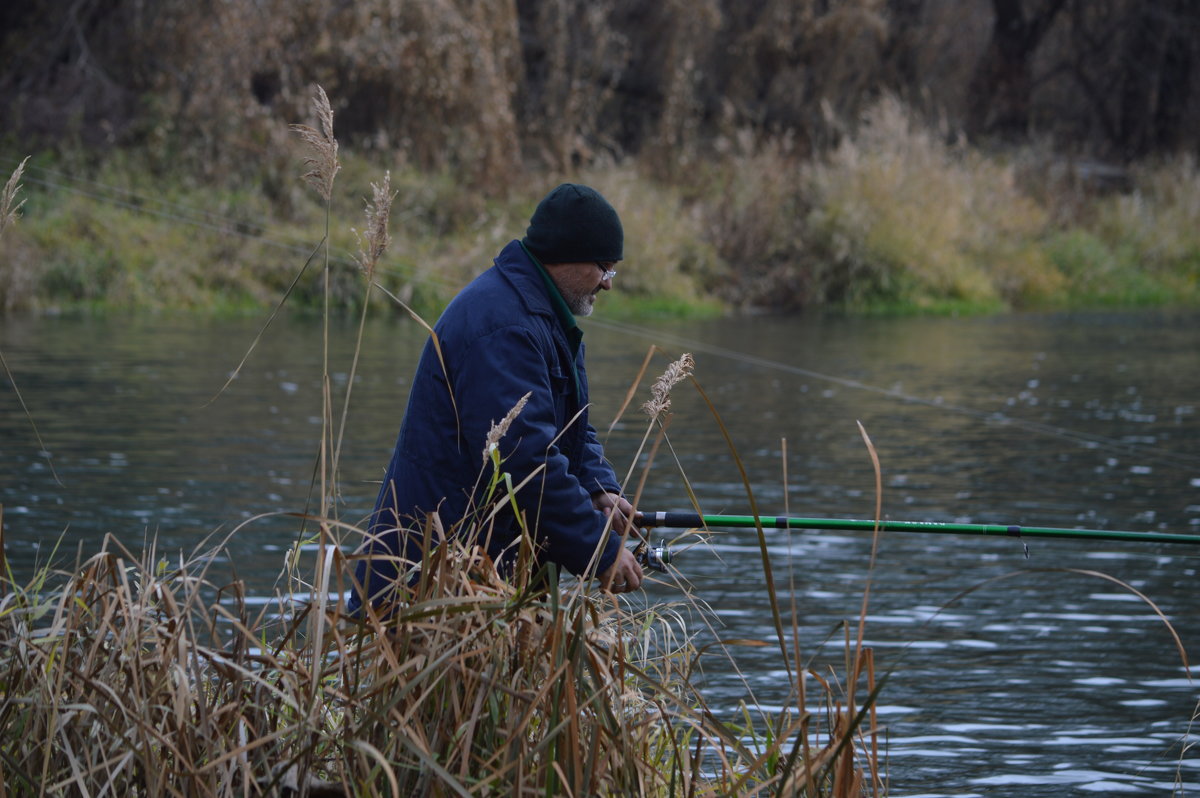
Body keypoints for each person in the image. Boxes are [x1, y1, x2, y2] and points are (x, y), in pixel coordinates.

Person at [351, 183, 644, 611]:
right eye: (605, 268)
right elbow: (526, 460)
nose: (608, 284)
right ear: (567, 255)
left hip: (478, 587)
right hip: (427, 591)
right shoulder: (505, 328)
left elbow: (567, 427)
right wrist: (599, 552)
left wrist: (598, 488)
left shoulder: (541, 315)